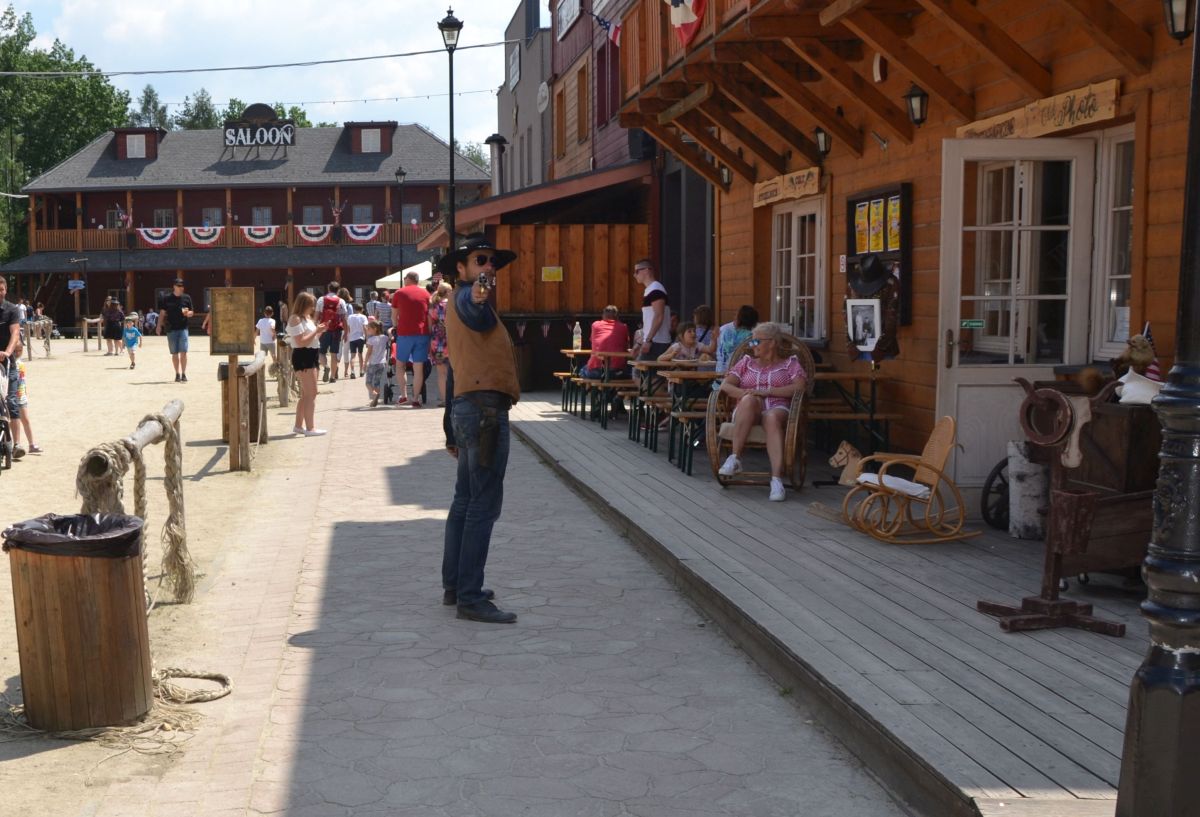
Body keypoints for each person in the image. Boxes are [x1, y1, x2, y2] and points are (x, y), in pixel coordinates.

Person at [439, 234, 520, 624]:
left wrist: (449, 428)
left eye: (492, 262)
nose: (489, 266)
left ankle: (456, 586)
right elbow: (477, 314)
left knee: (465, 501)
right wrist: (481, 293)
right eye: (480, 260)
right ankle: (469, 596)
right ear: (462, 267)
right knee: (482, 505)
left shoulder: (460, 298)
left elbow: (456, 366)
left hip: (469, 408)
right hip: (484, 411)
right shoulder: (468, 297)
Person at [716, 322, 807, 502]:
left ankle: (776, 480)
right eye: (751, 341)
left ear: (772, 343)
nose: (752, 345)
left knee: (771, 417)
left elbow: (800, 387)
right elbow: (726, 385)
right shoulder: (746, 362)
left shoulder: (790, 364)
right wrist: (746, 393)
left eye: (756, 341)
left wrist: (768, 391)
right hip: (747, 410)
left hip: (777, 407)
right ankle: (735, 458)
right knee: (749, 400)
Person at [285, 292, 328, 436]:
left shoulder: (307, 318)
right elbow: (301, 342)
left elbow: (312, 339)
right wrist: (316, 330)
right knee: (312, 393)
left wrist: (320, 331)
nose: (313, 308)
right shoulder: (295, 318)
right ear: (303, 305)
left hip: (312, 354)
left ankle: (299, 426)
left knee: (306, 394)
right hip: (303, 356)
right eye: (311, 305)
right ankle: (310, 428)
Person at [579, 305, 630, 418]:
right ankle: (616, 399)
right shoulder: (623, 327)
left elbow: (593, 341)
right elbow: (626, 346)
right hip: (617, 371)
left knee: (582, 371)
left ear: (603, 315)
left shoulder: (595, 325)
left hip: (597, 370)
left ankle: (598, 403)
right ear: (617, 316)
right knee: (626, 376)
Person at [390, 270, 432, 407]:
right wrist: (430, 332)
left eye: (405, 278)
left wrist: (395, 327)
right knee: (418, 368)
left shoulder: (399, 293)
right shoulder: (426, 294)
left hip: (404, 333)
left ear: (408, 279)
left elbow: (394, 316)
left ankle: (403, 396)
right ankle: (415, 399)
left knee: (400, 365)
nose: (404, 280)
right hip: (422, 333)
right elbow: (429, 316)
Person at [632, 259, 672, 359]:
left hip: (657, 343)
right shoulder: (651, 289)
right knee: (640, 368)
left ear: (647, 270)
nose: (634, 275)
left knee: (642, 368)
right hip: (654, 341)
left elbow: (659, 316)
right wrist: (640, 342)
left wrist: (648, 340)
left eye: (637, 271)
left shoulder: (655, 289)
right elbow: (649, 322)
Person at [157, 278, 195, 382]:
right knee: (174, 353)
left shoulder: (187, 297)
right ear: (174, 286)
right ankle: (177, 374)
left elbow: (192, 312)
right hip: (171, 329)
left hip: (183, 328)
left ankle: (184, 374)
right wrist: (158, 326)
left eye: (182, 286)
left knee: (184, 352)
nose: (181, 287)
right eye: (179, 286)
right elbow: (162, 313)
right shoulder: (166, 298)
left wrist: (188, 314)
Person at [0, 279, 19, 458]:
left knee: (11, 401)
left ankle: (17, 444)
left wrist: (7, 352)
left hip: (7, 362)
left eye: (2, 289)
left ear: (6, 290)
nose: (0, 292)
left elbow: (15, 333)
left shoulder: (12, 309)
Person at [713, 304, 759, 375]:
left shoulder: (726, 330)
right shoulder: (752, 336)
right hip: (743, 373)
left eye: (736, 316)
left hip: (722, 372)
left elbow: (724, 349)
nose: (734, 318)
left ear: (739, 319)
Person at [427, 281, 452, 406]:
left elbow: (429, 326)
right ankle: (454, 398)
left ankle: (444, 399)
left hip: (437, 341)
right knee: (453, 371)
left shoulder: (433, 306)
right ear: (448, 292)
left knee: (441, 373)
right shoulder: (451, 305)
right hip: (452, 340)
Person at [317, 281, 347, 383]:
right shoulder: (341, 301)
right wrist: (346, 332)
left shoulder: (321, 300)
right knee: (334, 354)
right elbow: (344, 318)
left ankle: (326, 366)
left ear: (328, 288)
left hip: (323, 329)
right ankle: (333, 377)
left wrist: (315, 329)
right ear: (338, 290)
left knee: (321, 352)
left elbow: (317, 316)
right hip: (336, 330)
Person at [363, 319, 389, 408]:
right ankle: (375, 400)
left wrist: (365, 363)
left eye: (369, 328)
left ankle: (374, 394)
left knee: (368, 382)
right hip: (382, 363)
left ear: (375, 329)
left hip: (373, 363)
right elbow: (390, 339)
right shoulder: (385, 338)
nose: (367, 330)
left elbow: (369, 352)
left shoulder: (371, 340)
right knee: (377, 382)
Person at [344, 302, 368, 380]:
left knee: (353, 355)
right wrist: (367, 337)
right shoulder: (363, 317)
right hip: (360, 338)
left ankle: (352, 371)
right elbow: (365, 328)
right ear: (362, 309)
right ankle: (361, 371)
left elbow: (348, 328)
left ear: (354, 309)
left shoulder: (350, 317)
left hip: (352, 338)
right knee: (360, 354)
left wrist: (349, 335)